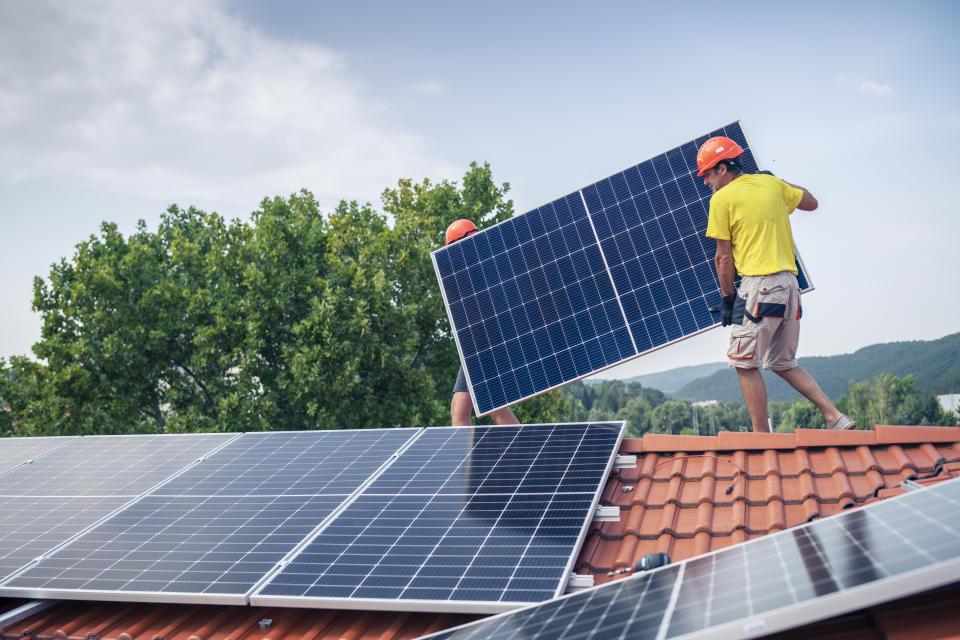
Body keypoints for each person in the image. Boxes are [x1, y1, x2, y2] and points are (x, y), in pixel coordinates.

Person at [697, 137, 855, 432]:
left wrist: (728, 298)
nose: (705, 181)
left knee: (744, 362)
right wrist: (780, 183)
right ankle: (834, 416)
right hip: (790, 287)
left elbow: (723, 258)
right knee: (783, 361)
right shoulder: (771, 186)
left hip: (760, 286)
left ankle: (761, 437)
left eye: (706, 174)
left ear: (722, 169)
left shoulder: (721, 199)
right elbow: (811, 202)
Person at [445, 219, 520, 427]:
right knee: (460, 409)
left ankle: (526, 451)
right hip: (473, 346)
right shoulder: (457, 273)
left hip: (490, 342)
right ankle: (466, 457)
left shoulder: (486, 266)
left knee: (493, 406)